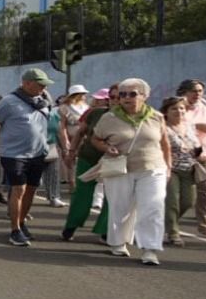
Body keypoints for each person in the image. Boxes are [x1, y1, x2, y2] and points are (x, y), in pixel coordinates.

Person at [91, 79, 171, 265]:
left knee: (153, 207)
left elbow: (165, 143)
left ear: (144, 96)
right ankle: (118, 242)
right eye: (123, 94)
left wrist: (168, 167)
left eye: (132, 94)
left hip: (152, 168)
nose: (127, 98)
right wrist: (106, 148)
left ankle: (150, 249)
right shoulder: (109, 118)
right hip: (120, 168)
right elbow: (95, 139)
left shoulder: (156, 117)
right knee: (120, 207)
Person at [0, 68, 55, 247]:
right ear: (27, 83)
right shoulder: (8, 102)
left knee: (31, 190)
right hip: (14, 154)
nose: (43, 88)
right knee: (18, 189)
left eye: (44, 85)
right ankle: (15, 230)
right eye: (40, 84)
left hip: (38, 153)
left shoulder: (43, 101)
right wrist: (3, 144)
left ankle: (22, 222)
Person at [60, 87, 114, 243]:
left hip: (114, 161)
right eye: (113, 97)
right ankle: (71, 225)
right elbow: (80, 132)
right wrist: (71, 152)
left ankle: (105, 231)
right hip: (89, 157)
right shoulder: (95, 113)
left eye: (121, 97)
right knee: (82, 194)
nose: (117, 101)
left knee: (113, 196)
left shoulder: (131, 118)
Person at [176, 79, 206, 240]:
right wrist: (196, 126)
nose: (197, 94)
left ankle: (205, 227)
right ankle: (168, 223)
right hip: (184, 155)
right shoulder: (178, 106)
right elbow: (172, 126)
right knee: (185, 197)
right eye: (193, 91)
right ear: (184, 92)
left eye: (200, 91)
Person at [162, 96, 198, 247]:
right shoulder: (163, 127)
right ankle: (173, 233)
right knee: (172, 202)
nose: (179, 111)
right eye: (174, 108)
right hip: (170, 168)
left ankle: (165, 223)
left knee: (188, 201)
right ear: (166, 112)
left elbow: (196, 144)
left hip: (189, 168)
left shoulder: (189, 126)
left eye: (181, 108)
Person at [56, 84, 91, 189]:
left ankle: (82, 182)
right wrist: (65, 140)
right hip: (71, 136)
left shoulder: (86, 107)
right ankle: (72, 184)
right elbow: (62, 126)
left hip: (84, 137)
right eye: (82, 94)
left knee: (83, 159)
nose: (84, 96)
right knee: (71, 159)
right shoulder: (64, 108)